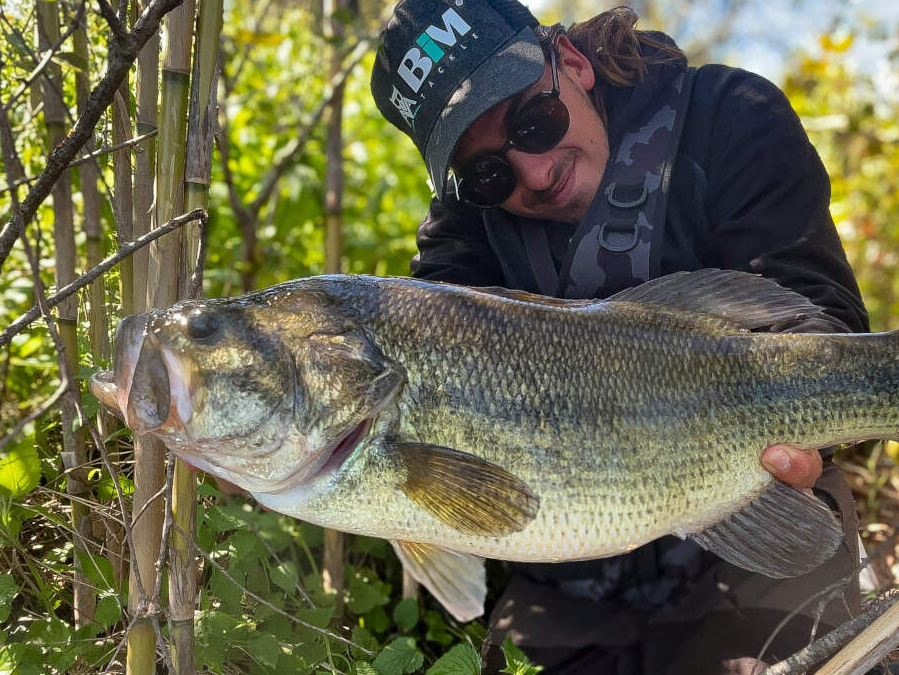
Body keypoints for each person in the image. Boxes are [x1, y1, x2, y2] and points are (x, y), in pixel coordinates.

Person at [371, 1, 870, 672]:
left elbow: (822, 319)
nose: (533, 173)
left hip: (756, 508)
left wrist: (803, 438)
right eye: (489, 172)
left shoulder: (730, 115)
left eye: (533, 121)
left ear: (571, 62)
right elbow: (416, 355)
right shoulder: (466, 223)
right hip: (568, 565)